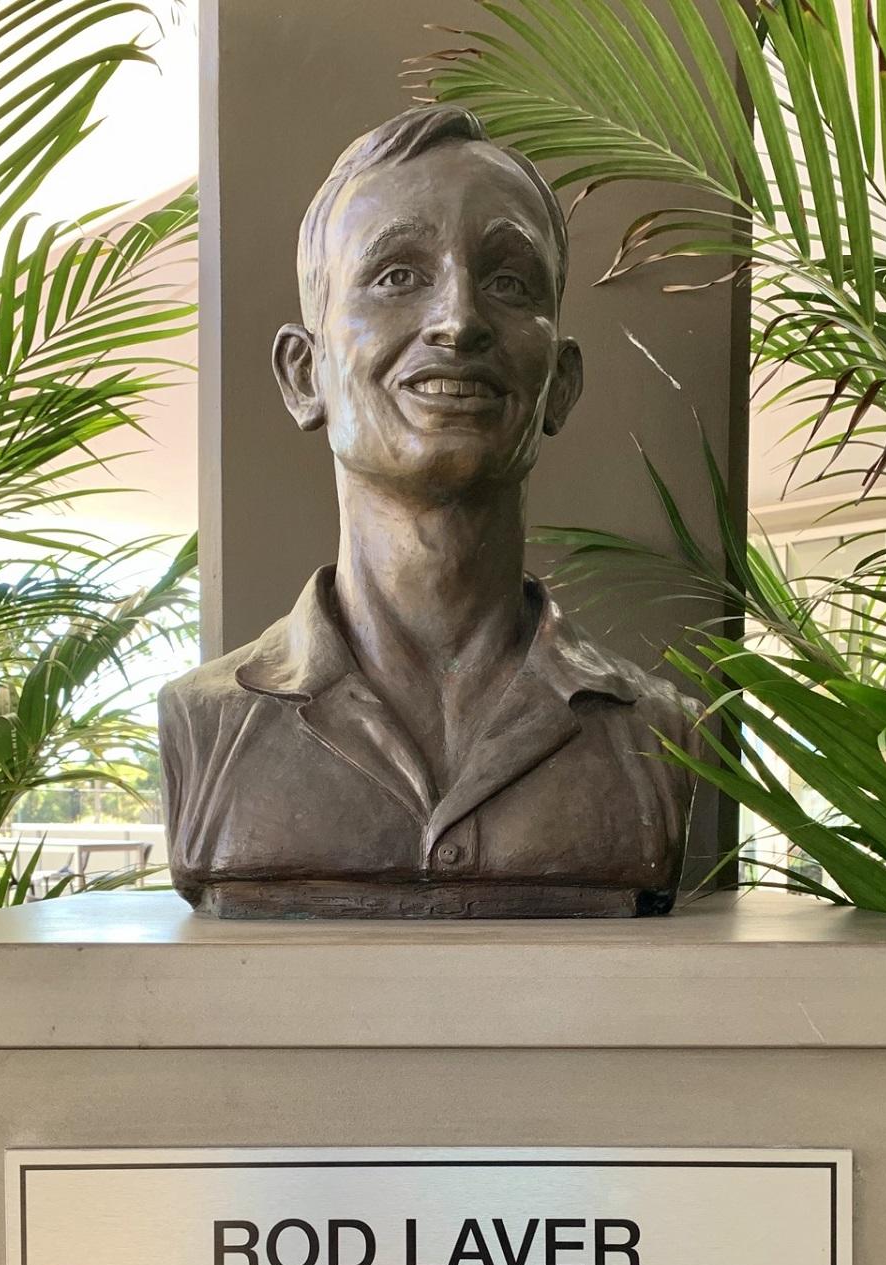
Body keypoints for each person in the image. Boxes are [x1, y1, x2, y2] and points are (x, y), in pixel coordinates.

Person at [160, 104, 698, 918]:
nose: (459, 321)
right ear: (305, 375)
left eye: (509, 282)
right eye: (398, 276)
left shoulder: (654, 738)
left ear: (561, 383)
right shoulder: (207, 728)